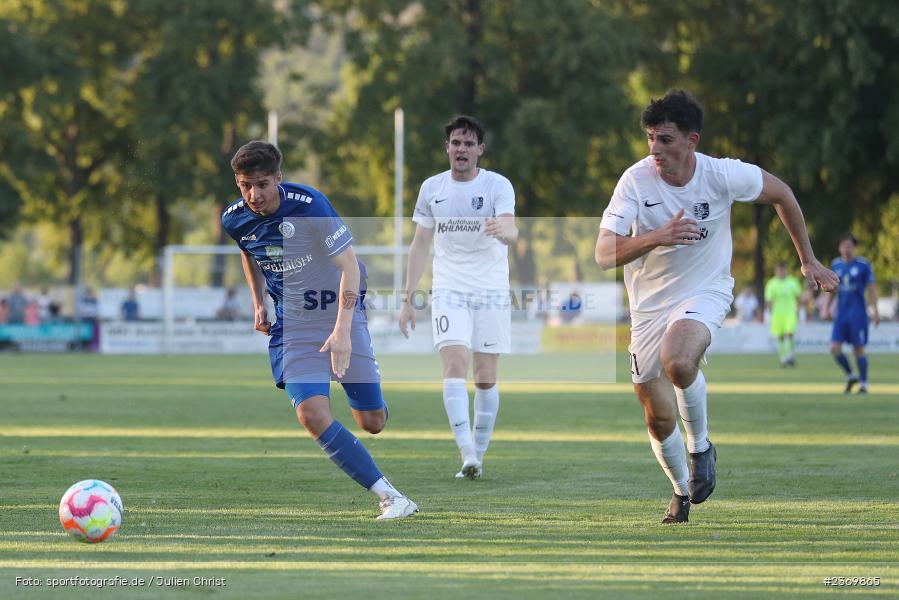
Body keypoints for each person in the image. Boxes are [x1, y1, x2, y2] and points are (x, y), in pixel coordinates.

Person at [594, 89, 838, 524]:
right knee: (656, 418)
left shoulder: (723, 174)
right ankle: (679, 491)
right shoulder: (634, 181)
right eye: (650, 137)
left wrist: (808, 259)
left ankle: (701, 447)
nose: (655, 149)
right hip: (648, 307)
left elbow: (782, 193)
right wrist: (656, 236)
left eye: (665, 139)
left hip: (706, 290)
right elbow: (602, 254)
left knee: (679, 359)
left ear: (692, 140)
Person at [222, 141, 417, 519]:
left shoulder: (311, 206)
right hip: (292, 325)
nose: (254, 195)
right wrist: (258, 301)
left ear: (278, 178)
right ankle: (392, 497)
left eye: (262, 184)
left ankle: (371, 393)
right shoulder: (233, 218)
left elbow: (351, 267)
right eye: (245, 185)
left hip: (337, 311)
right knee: (311, 414)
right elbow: (248, 250)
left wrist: (343, 331)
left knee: (371, 422)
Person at [399, 115, 517, 480]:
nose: (461, 149)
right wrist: (407, 298)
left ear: (480, 149)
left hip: (492, 290)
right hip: (449, 289)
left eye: (468, 143)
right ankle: (466, 451)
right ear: (447, 148)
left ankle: (477, 457)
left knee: (484, 377)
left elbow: (511, 229)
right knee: (453, 364)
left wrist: (506, 230)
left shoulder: (498, 185)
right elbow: (420, 243)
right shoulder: (432, 188)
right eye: (455, 143)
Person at [823, 233, 879, 394]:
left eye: (849, 245)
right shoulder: (835, 265)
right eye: (844, 245)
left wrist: (876, 312)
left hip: (858, 314)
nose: (846, 248)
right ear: (840, 247)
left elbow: (872, 288)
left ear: (854, 247)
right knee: (834, 347)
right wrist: (826, 307)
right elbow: (831, 289)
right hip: (841, 314)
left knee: (858, 349)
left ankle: (864, 384)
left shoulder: (863, 265)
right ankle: (851, 375)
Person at [764, 262, 802, 366]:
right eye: (779, 270)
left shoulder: (793, 282)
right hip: (777, 314)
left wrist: (798, 310)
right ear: (776, 271)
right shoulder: (771, 284)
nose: (781, 272)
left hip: (790, 313)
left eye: (783, 270)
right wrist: (769, 312)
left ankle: (790, 355)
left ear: (786, 270)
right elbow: (769, 300)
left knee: (789, 334)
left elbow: (798, 297)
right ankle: (783, 358)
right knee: (780, 336)